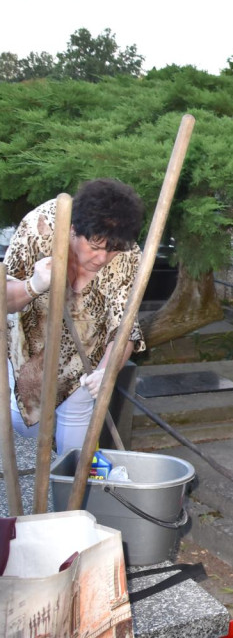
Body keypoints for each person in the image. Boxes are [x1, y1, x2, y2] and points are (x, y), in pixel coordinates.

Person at [5, 178, 146, 456]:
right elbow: (4, 300)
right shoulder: (38, 228)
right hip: (29, 345)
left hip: (86, 352)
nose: (102, 259)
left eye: (113, 250)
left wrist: (108, 369)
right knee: (25, 431)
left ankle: (72, 492)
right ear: (73, 230)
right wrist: (33, 285)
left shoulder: (130, 255)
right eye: (94, 247)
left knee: (76, 441)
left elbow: (126, 326)